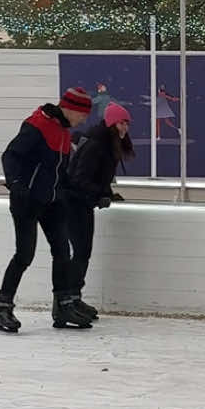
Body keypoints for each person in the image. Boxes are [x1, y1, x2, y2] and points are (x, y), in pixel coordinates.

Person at [0, 86, 95, 333]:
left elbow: (60, 172)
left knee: (62, 251)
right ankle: (3, 308)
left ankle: (63, 306)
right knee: (24, 255)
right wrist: (16, 184)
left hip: (52, 201)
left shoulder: (63, 131)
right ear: (70, 109)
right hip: (27, 200)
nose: (84, 119)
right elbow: (10, 155)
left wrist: (82, 193)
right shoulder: (38, 125)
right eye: (83, 114)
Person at [65, 102, 134, 316]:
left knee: (83, 252)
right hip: (73, 203)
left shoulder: (106, 145)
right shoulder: (97, 145)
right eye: (122, 123)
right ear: (113, 123)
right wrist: (100, 194)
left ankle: (74, 298)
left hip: (83, 202)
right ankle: (68, 300)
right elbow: (78, 179)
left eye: (127, 123)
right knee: (80, 252)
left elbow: (96, 177)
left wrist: (106, 193)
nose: (126, 128)